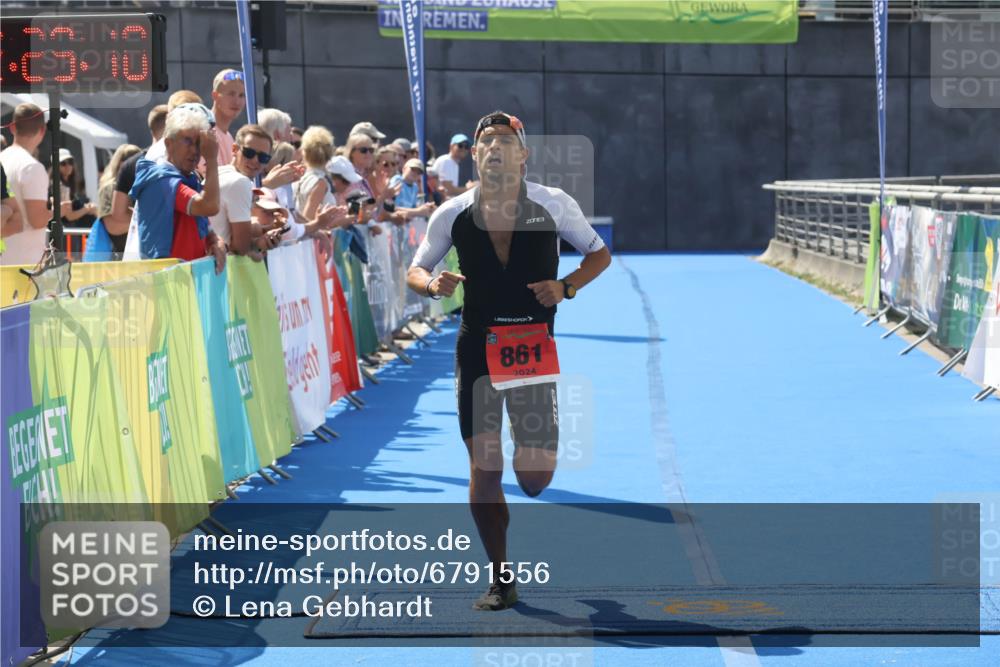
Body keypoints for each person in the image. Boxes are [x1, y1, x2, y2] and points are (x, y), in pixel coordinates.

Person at [407, 111, 611, 611]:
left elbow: (598, 255)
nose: (495, 147)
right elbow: (416, 268)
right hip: (477, 346)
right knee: (485, 464)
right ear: (475, 155)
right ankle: (501, 577)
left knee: (534, 480)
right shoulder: (452, 212)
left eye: (505, 140)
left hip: (530, 349)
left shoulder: (553, 203)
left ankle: (532, 444)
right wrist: (432, 284)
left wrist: (565, 287)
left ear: (524, 155)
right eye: (486, 141)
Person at [129, 104, 226, 271]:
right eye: (188, 141)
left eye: (199, 143)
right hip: (166, 281)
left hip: (184, 278)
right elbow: (209, 206)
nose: (195, 150)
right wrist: (211, 159)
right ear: (168, 144)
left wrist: (215, 241)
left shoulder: (188, 178)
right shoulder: (162, 180)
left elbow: (204, 226)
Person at [106, 104, 168, 253]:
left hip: (139, 244)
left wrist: (141, 215)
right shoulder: (179, 162)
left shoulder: (129, 165)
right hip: (171, 244)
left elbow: (118, 214)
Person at [0, 103, 51, 266]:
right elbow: (36, 220)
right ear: (42, 131)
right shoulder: (32, 167)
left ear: (12, 127)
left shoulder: (2, 158)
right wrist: (58, 211)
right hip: (24, 264)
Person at [205, 69, 246, 167]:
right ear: (215, 96)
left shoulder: (228, 136)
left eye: (241, 95)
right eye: (231, 94)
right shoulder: (206, 132)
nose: (237, 102)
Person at [97, 143, 142, 220]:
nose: (134, 164)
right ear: (120, 163)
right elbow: (110, 221)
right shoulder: (110, 187)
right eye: (132, 160)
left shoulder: (141, 184)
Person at [56, 148, 97, 228]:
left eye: (70, 162)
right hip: (67, 231)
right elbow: (69, 216)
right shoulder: (60, 186)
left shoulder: (70, 184)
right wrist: (87, 209)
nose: (68, 166)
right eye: (63, 163)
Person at [431, 133, 471, 198]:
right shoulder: (446, 161)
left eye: (466, 147)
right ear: (451, 146)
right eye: (460, 145)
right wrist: (470, 188)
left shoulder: (454, 163)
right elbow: (449, 191)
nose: (463, 149)